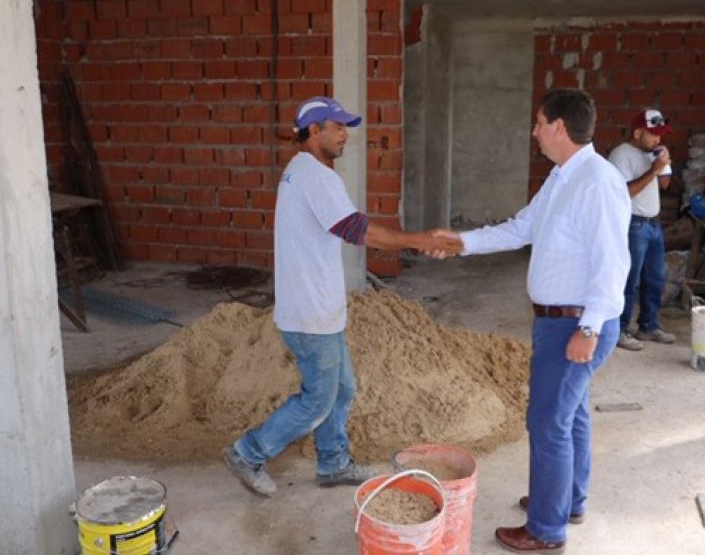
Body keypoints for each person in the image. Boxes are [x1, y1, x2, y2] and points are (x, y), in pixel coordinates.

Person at [224, 96, 462, 496]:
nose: (345, 135)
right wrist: (417, 240)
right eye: (337, 127)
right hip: (310, 314)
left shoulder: (303, 172)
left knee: (343, 388)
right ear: (313, 130)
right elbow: (358, 231)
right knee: (318, 400)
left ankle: (332, 462)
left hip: (318, 310)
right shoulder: (315, 176)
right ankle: (248, 452)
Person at [439, 89, 631, 553]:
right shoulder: (562, 177)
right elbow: (520, 228)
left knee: (547, 422)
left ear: (560, 127)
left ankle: (546, 529)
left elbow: (612, 263)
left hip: (576, 325)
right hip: (555, 323)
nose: (534, 131)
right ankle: (567, 501)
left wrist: (588, 329)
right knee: (572, 414)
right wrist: (459, 242)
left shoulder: (598, 182)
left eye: (539, 122)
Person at [608, 109, 677, 351]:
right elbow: (623, 192)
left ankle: (649, 325)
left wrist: (664, 166)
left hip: (653, 223)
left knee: (655, 278)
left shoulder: (652, 154)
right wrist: (654, 170)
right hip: (633, 224)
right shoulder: (620, 155)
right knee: (630, 279)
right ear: (638, 132)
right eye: (653, 135)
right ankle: (619, 329)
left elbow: (665, 186)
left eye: (661, 135)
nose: (658, 140)